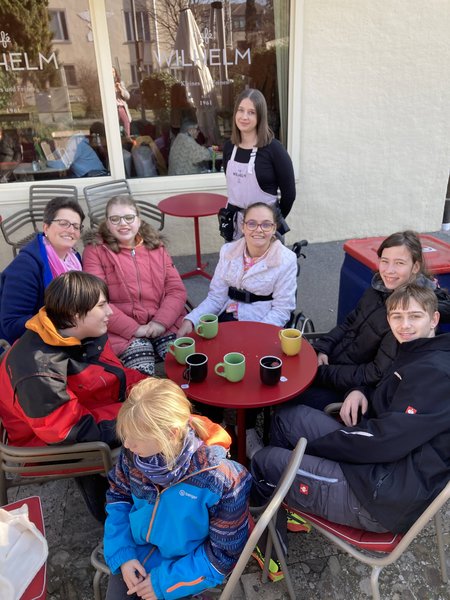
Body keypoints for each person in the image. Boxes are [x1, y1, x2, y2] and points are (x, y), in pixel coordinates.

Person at [251, 284, 450, 580]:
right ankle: (290, 506)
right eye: (397, 316)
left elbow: (384, 442)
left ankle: (272, 556)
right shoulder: (418, 350)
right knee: (287, 418)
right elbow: (386, 393)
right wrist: (360, 391)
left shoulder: (434, 373)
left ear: (434, 319)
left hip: (377, 495)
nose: (405, 325)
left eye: (414, 316)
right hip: (376, 464)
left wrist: (317, 448)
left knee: (264, 461)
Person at [0, 271, 145, 519]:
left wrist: (149, 387)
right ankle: (120, 508)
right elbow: (68, 431)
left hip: (77, 415)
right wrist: (139, 418)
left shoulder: (75, 332)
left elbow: (111, 376)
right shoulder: (37, 370)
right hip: (47, 444)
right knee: (155, 431)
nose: (110, 312)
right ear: (76, 315)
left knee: (161, 407)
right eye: (102, 305)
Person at [103, 378, 252, 600]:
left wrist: (164, 583)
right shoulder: (133, 455)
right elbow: (118, 498)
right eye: (126, 434)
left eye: (136, 438)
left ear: (171, 434)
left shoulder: (223, 480)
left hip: (185, 566)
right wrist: (123, 553)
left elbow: (223, 555)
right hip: (136, 552)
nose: (126, 445)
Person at [177, 202, 297, 457]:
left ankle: (248, 428)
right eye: (252, 223)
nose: (258, 230)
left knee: (252, 367)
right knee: (207, 361)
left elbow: (282, 310)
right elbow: (216, 297)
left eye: (266, 224)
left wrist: (254, 335)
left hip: (263, 320)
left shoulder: (286, 259)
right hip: (229, 316)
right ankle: (215, 421)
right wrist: (191, 319)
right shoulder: (229, 251)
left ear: (275, 228)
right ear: (242, 226)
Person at [293, 230, 450, 413]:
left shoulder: (406, 318)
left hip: (349, 387)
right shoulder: (379, 288)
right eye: (385, 261)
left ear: (415, 267)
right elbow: (349, 322)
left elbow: (375, 373)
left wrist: (320, 373)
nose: (389, 270)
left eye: (399, 263)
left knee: (289, 399)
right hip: (334, 366)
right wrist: (323, 348)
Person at [83, 195, 187, 376]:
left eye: (129, 217)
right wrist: (134, 329)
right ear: (107, 223)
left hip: (163, 321)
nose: (123, 223)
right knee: (141, 377)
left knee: (185, 367)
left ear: (138, 220)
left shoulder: (156, 246)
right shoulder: (95, 251)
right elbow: (96, 300)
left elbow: (176, 290)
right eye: (115, 219)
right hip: (119, 330)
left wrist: (160, 322)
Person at [0, 196, 85, 345]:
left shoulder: (75, 258)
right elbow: (12, 324)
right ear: (46, 227)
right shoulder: (26, 266)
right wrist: (65, 322)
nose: (71, 230)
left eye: (76, 226)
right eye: (63, 223)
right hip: (32, 346)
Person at [222, 88, 296, 240]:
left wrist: (272, 223)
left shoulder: (274, 149)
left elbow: (289, 195)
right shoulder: (229, 147)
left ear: (260, 116)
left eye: (251, 112)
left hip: (264, 230)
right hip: (235, 226)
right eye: (241, 110)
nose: (244, 116)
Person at [113, 67, 132, 137]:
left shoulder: (120, 83)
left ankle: (127, 138)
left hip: (120, 107)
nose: (112, 74)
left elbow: (128, 96)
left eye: (113, 72)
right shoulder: (106, 84)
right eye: (110, 72)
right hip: (112, 108)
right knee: (114, 125)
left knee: (126, 122)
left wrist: (120, 89)